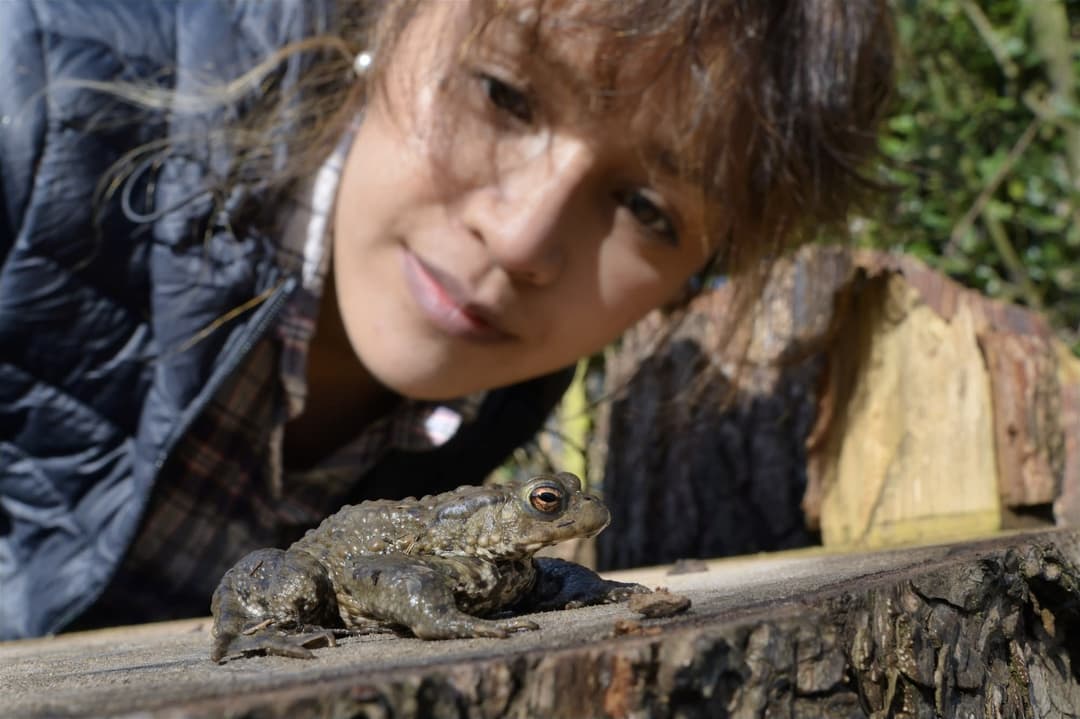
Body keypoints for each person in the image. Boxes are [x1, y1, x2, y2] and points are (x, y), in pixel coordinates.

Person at [0, 0, 895, 639]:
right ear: (383, 19)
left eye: (649, 209)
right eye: (506, 93)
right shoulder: (30, 100)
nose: (520, 238)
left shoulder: (506, 379)